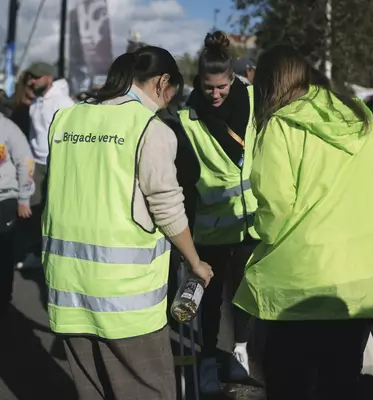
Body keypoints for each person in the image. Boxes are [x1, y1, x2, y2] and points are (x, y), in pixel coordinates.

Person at [42, 47, 213, 400]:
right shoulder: (150, 128)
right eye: (171, 94)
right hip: (126, 299)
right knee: (147, 391)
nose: (169, 103)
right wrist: (196, 262)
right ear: (163, 82)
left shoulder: (65, 119)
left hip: (67, 288)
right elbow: (166, 206)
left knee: (92, 391)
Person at [233, 45, 373, 400]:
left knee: (288, 382)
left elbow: (275, 211)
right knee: (341, 381)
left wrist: (258, 238)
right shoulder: (362, 122)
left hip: (301, 282)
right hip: (363, 280)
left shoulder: (280, 125)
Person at [178, 31, 259, 394]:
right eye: (209, 87)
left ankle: (240, 350)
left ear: (234, 79)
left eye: (222, 86)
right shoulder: (187, 118)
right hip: (210, 227)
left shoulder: (255, 100)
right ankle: (207, 356)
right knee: (210, 301)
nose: (216, 94)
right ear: (199, 82)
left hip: (251, 222)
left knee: (245, 294)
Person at [17, 62, 74, 269]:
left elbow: (71, 135)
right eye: (31, 77)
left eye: (37, 77)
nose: (32, 81)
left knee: (56, 212)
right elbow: (34, 137)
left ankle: (56, 256)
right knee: (33, 211)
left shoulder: (63, 102)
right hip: (37, 165)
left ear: (49, 77)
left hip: (58, 165)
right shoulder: (36, 102)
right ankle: (35, 253)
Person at [0, 112, 35, 318]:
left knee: (3, 254)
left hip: (6, 199)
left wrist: (23, 198)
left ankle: (4, 298)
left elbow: (26, 162)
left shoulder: (8, 129)